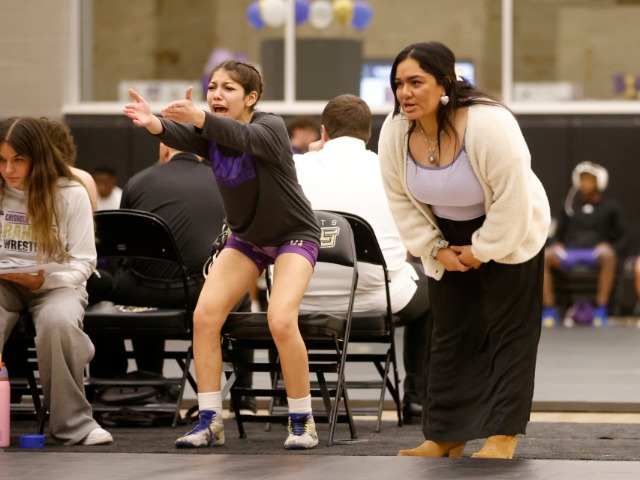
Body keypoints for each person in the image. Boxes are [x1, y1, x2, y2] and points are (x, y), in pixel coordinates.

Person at [123, 60, 322, 450]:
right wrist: (152, 122)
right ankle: (210, 421)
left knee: (281, 320)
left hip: (294, 235)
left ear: (251, 97)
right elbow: (183, 134)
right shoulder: (211, 134)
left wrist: (199, 117)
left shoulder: (270, 126)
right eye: (213, 86)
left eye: (228, 88)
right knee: (204, 318)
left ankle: (302, 421)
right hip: (247, 239)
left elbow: (235, 134)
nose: (217, 93)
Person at [377, 41, 550, 459]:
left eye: (416, 82)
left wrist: (481, 250)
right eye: (399, 84)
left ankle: (502, 434)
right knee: (450, 334)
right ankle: (446, 435)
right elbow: (399, 199)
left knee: (509, 332)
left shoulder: (490, 123)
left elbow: (513, 199)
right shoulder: (395, 129)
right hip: (445, 236)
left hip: (509, 231)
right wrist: (435, 249)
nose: (405, 93)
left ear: (445, 83)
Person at [294, 94, 431, 424]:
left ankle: (292, 396)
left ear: (323, 132)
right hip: (375, 297)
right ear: (368, 134)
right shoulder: (393, 169)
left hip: (297, 298)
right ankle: (417, 399)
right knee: (433, 287)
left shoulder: (293, 166)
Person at [0, 116, 112, 445]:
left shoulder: (70, 192)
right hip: (4, 284)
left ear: (39, 157)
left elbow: (84, 261)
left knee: (58, 323)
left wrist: (43, 282)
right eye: (2, 160)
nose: (8, 170)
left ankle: (74, 424)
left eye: (18, 160)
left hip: (56, 285)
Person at [542, 161, 629, 328]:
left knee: (609, 256)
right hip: (569, 253)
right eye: (582, 180)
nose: (585, 184)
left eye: (589, 180)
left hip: (596, 254)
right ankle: (550, 310)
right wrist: (555, 243)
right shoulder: (568, 206)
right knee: (545, 256)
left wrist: (611, 247)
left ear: (600, 182)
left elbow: (625, 238)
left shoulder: (610, 208)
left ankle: (601, 310)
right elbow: (555, 233)